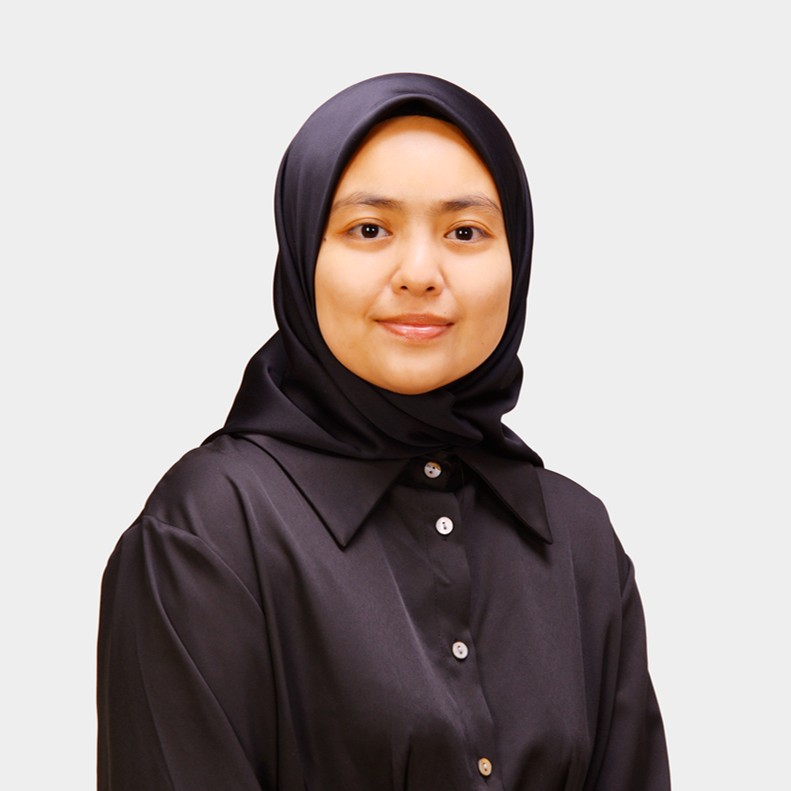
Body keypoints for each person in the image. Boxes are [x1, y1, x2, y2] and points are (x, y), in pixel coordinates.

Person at [97, 72, 670, 790]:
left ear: (516, 256)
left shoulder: (576, 539)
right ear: (303, 255)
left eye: (465, 232)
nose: (420, 273)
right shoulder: (210, 528)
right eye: (369, 229)